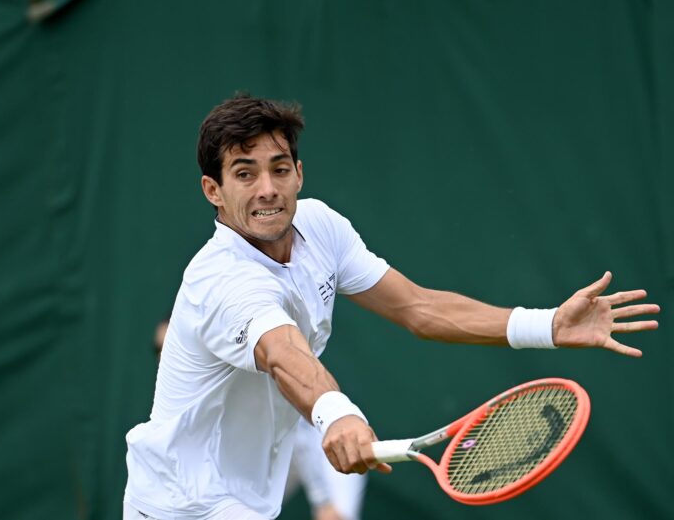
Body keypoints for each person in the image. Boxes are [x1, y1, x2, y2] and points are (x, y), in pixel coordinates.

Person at [123, 94, 659, 520]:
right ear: (212, 190)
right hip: (179, 505)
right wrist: (337, 414)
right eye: (245, 174)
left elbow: (418, 307)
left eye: (278, 168)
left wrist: (545, 325)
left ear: (299, 174)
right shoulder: (220, 278)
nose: (268, 189)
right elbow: (283, 352)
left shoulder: (320, 226)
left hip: (241, 499)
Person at [153, 318, 365, 520]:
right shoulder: (182, 399)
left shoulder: (236, 361)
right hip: (266, 457)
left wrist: (324, 501)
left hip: (318, 439)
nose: (166, 356)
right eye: (160, 350)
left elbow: (300, 436)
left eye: (170, 346)